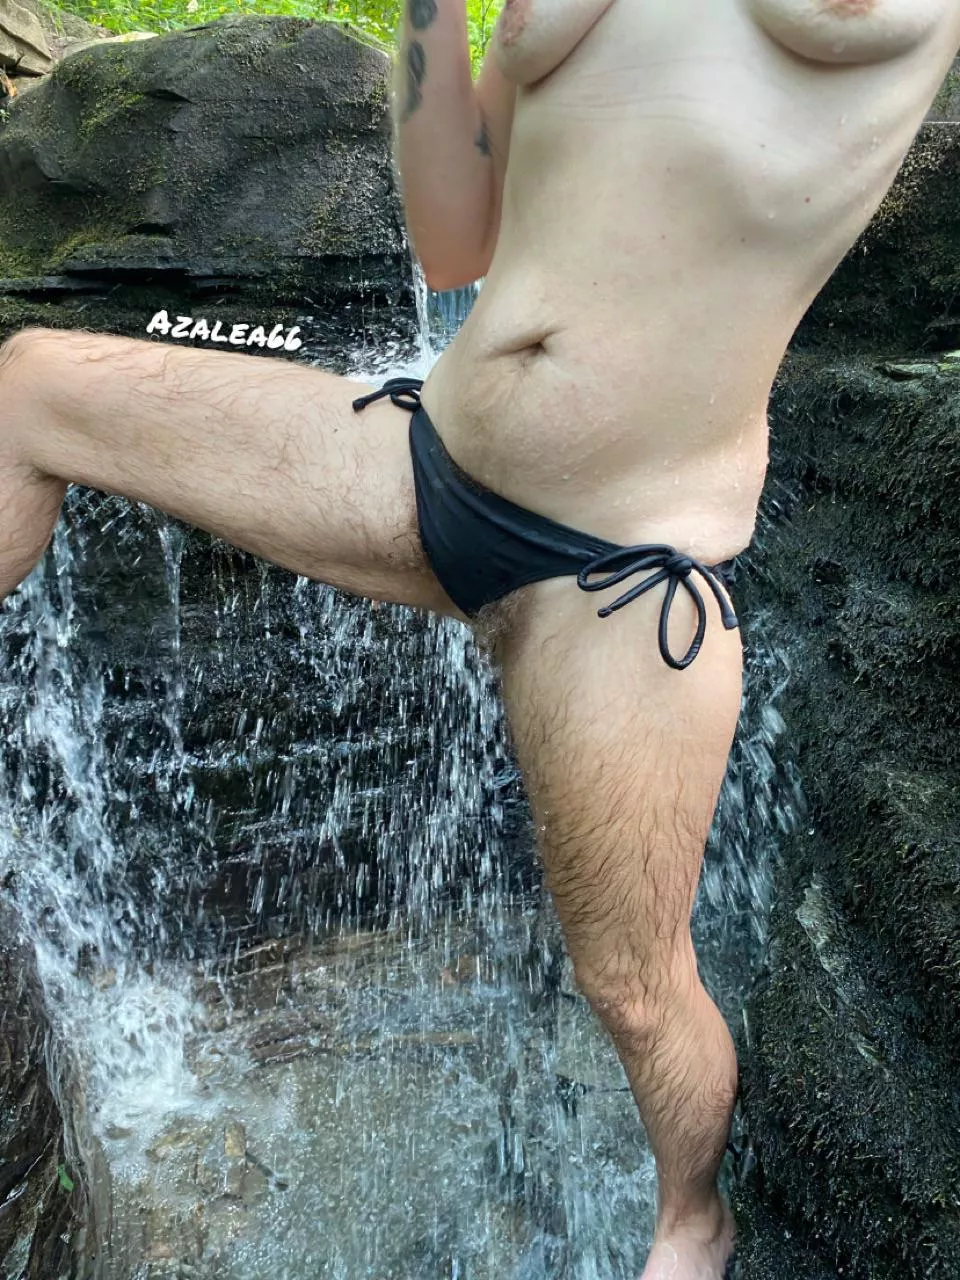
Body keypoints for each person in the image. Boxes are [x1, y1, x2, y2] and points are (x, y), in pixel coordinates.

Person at [0, 1, 958, 1275]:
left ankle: (694, 1215)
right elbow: (456, 237)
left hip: (613, 579)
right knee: (29, 387)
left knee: (632, 985)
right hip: (417, 463)